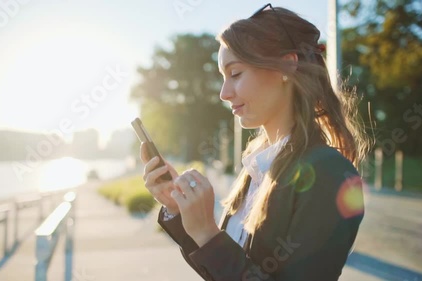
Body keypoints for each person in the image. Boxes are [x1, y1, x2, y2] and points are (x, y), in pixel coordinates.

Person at [140, 3, 370, 280]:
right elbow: (223, 270)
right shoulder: (259, 166)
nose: (224, 93)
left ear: (287, 65)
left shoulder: (329, 172)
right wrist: (180, 211)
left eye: (235, 74)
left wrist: (208, 233)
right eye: (223, 78)